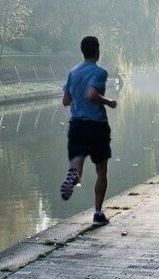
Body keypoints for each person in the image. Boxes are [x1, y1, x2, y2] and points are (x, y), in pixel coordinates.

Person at [60, 35, 117, 227]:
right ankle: (98, 214)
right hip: (96, 125)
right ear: (97, 51)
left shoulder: (73, 72)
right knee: (101, 170)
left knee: (76, 164)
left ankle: (73, 176)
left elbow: (65, 100)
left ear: (82, 51)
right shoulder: (100, 72)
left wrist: (77, 98)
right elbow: (92, 94)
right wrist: (108, 102)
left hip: (76, 124)